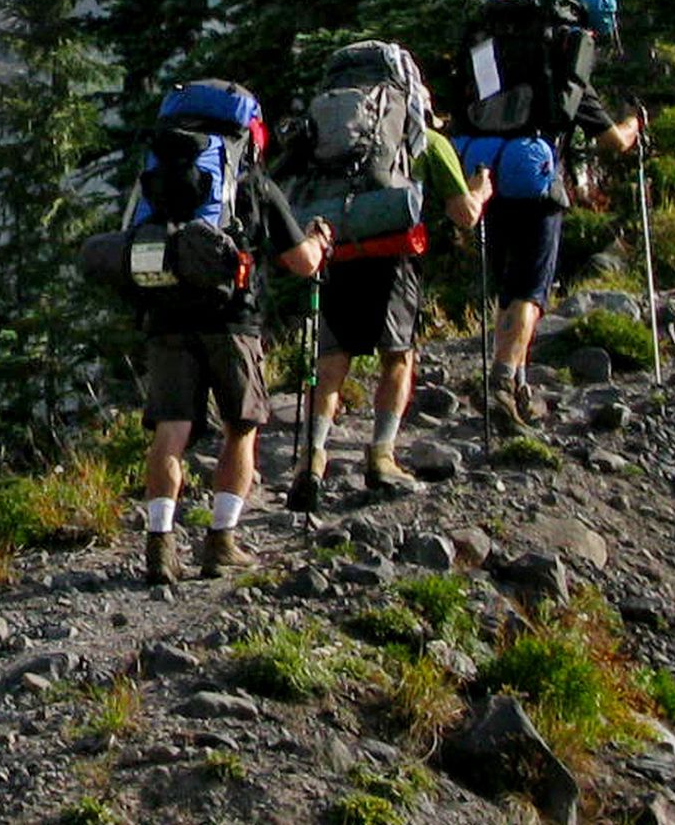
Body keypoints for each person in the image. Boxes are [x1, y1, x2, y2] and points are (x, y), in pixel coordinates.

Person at [136, 112, 330, 585]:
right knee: (240, 427)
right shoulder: (250, 181)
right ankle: (221, 541)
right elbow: (301, 263)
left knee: (171, 430)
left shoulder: (158, 184)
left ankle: (160, 546)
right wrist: (320, 242)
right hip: (232, 320)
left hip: (166, 316)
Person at [288, 100, 489, 508]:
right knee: (397, 357)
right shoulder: (425, 139)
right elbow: (464, 215)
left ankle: (312, 458)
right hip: (393, 257)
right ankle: (381, 455)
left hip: (336, 251)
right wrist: (481, 190)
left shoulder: (330, 141)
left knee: (332, 363)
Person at [471, 92, 643, 434]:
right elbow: (614, 141)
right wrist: (633, 124)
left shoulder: (493, 55)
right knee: (530, 293)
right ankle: (502, 381)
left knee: (508, 290)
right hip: (536, 187)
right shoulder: (563, 74)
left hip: (489, 178)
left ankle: (519, 390)